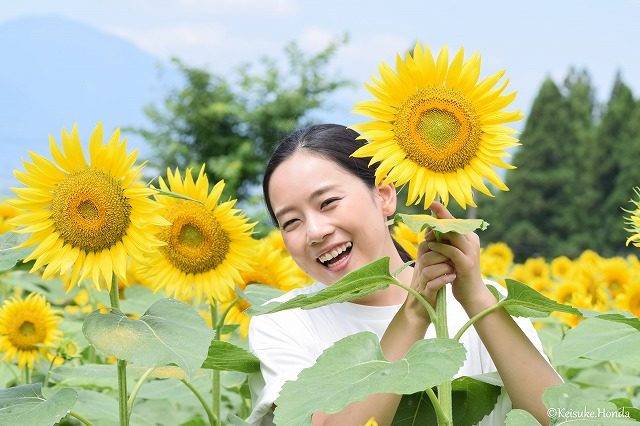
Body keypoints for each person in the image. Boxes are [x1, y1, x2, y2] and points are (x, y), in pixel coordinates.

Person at [248, 124, 561, 426]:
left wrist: (476, 299)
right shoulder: (284, 324)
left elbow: (561, 417)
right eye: (290, 222)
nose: (315, 232)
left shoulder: (490, 301)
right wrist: (415, 311)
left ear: (383, 195)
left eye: (328, 202)